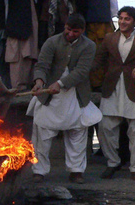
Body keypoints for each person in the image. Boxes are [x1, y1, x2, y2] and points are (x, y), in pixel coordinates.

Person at [27, 14, 96, 184]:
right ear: (64, 26)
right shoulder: (52, 42)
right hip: (49, 96)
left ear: (82, 31)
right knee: (42, 133)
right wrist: (39, 82)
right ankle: (39, 170)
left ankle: (76, 171)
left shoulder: (89, 46)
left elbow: (81, 71)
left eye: (75, 31)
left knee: (77, 133)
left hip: (76, 94)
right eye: (68, 30)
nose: (70, 34)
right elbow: (42, 65)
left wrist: (61, 83)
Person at [92, 6, 135, 181]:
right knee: (105, 127)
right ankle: (112, 162)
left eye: (127, 19)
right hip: (112, 89)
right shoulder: (110, 38)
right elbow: (99, 60)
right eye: (121, 18)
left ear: (134, 21)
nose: (123, 22)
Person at [5, 0, 45, 91]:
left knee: (28, 58)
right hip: (17, 32)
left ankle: (26, 86)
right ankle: (17, 87)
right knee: (17, 60)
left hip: (28, 31)